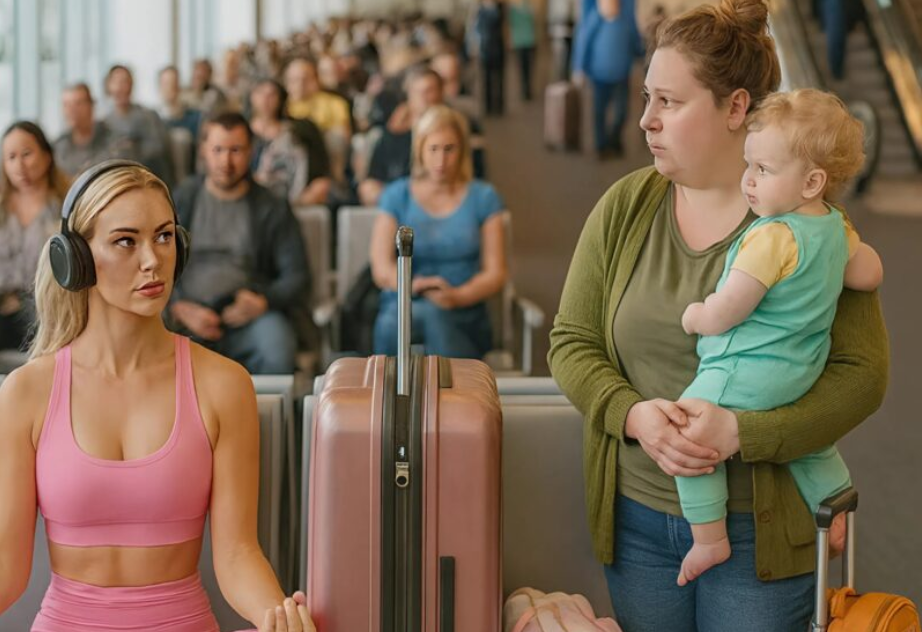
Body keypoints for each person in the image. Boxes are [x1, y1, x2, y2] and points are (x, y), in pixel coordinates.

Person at [547, 0, 888, 630]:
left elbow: (861, 376)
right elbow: (571, 341)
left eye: (669, 102)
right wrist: (633, 417)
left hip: (761, 534)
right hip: (638, 523)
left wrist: (744, 435)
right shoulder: (627, 205)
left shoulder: (808, 226)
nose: (646, 119)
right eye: (646, 97)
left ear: (736, 108)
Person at [0, 160, 314, 631]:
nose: (152, 259)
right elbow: (7, 566)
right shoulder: (26, 392)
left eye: (164, 236)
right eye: (126, 241)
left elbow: (237, 554)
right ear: (77, 258)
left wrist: (278, 616)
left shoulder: (224, 385)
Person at [675, 89, 884, 586]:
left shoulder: (773, 237)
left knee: (687, 431)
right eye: (748, 164)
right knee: (808, 446)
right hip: (800, 373)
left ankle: (709, 539)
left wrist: (698, 316)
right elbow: (869, 274)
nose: (748, 180)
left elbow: (731, 308)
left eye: (763, 170)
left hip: (747, 371)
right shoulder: (836, 227)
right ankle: (836, 511)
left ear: (812, 181)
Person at [169, 113, 309, 375]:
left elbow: (297, 275)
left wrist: (264, 301)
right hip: (189, 315)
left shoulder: (272, 206)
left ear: (251, 152)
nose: (226, 161)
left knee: (277, 348)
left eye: (236, 150)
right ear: (203, 152)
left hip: (249, 317)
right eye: (218, 150)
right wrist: (178, 306)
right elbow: (154, 263)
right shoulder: (183, 199)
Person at [369, 105, 506, 358]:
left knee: (433, 317)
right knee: (402, 320)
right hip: (404, 302)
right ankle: (451, 393)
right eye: (433, 149)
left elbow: (495, 273)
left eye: (449, 149)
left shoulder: (484, 197)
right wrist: (413, 285)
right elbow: (381, 268)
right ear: (420, 150)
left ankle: (410, 393)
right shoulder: (397, 195)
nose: (441, 160)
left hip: (464, 308)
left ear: (462, 150)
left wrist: (457, 296)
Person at [0, 122, 70, 351]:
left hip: (44, 308)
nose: (19, 166)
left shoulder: (66, 206)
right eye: (11, 157)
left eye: (27, 154)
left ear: (47, 156)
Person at [572, 0, 645, 159]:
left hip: (622, 73)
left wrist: (643, 54)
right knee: (599, 113)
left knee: (622, 113)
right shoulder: (594, 15)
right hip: (599, 74)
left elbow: (634, 36)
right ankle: (601, 147)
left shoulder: (626, 13)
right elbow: (584, 37)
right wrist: (579, 67)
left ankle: (614, 140)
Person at [248, 78, 332, 206]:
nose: (265, 99)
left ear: (281, 99)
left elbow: (319, 169)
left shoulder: (301, 130)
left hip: (296, 193)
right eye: (260, 93)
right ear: (251, 97)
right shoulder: (241, 132)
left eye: (272, 95)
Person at [104, 65, 174, 186]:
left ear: (131, 85)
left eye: (124, 82)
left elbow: (158, 149)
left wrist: (131, 149)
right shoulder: (104, 123)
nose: (120, 87)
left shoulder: (149, 116)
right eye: (116, 82)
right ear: (108, 86)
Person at [54, 83, 136, 177]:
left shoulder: (117, 142)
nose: (71, 110)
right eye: (66, 105)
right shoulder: (58, 146)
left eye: (78, 103)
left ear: (91, 106)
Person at [474, 0, 507, 116]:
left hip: (498, 47)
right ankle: (488, 107)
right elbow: (477, 29)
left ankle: (499, 106)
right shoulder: (480, 10)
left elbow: (499, 20)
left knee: (499, 79)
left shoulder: (500, 8)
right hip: (485, 48)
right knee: (486, 80)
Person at [509, 0, 538, 102]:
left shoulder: (528, 8)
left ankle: (527, 89)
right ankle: (524, 90)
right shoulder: (514, 10)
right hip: (521, 42)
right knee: (523, 68)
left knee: (527, 68)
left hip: (527, 42)